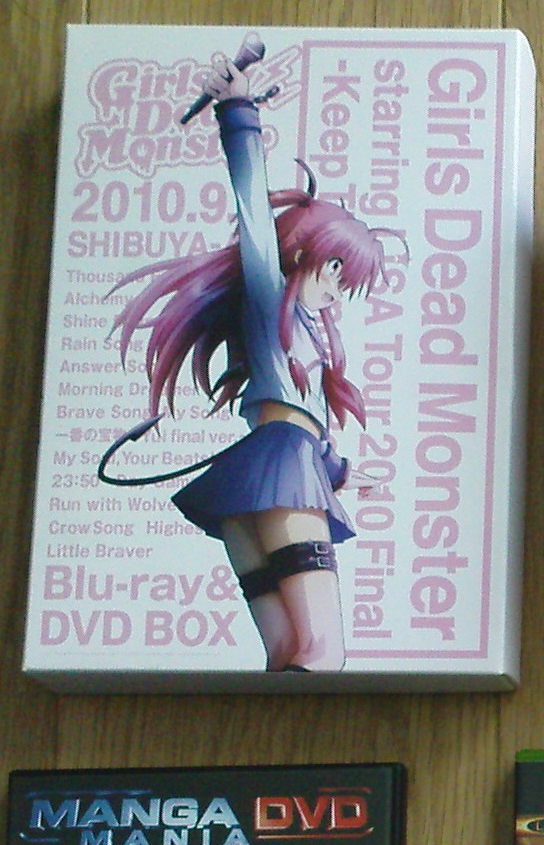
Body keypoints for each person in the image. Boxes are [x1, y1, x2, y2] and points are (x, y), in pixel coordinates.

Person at [107, 58, 390, 672]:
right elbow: (255, 220)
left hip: (258, 480)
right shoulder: (269, 299)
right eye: (337, 271)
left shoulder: (303, 331)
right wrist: (240, 116)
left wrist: (342, 471)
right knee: (320, 651)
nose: (337, 290)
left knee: (287, 653)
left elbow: (300, 424)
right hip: (279, 472)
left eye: (346, 281)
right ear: (308, 253)